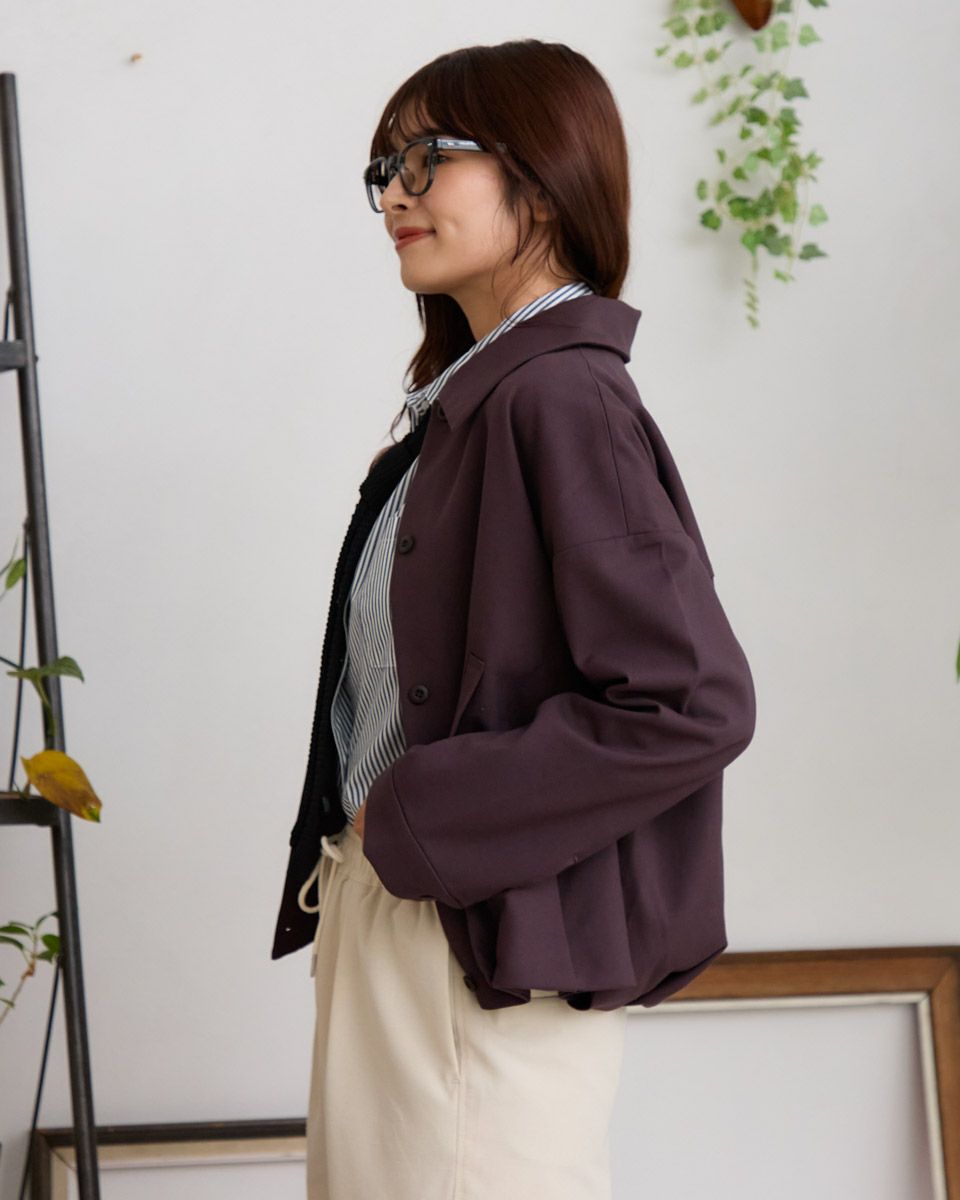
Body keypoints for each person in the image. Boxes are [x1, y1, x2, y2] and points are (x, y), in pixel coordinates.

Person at [272, 37, 757, 1200]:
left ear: (541, 181)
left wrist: (423, 814)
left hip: (471, 951)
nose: (395, 195)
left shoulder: (562, 398)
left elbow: (691, 703)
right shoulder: (477, 401)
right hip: (406, 928)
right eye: (384, 168)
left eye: (427, 159)